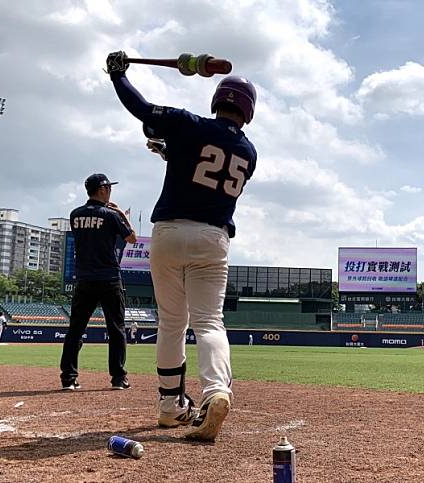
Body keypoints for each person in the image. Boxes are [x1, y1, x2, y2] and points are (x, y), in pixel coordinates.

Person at [107, 51, 257, 441]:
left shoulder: (189, 124)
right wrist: (169, 153)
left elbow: (141, 108)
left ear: (216, 100)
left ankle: (171, 406)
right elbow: (204, 168)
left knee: (172, 323)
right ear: (248, 112)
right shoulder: (249, 153)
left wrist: (117, 75)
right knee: (209, 322)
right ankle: (216, 392)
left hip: (170, 233)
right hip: (214, 238)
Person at [59, 173, 136, 391]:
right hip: (109, 278)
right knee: (116, 330)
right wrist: (120, 213)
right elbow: (132, 238)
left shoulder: (75, 215)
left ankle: (68, 378)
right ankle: (118, 378)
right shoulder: (111, 215)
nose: (110, 191)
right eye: (109, 188)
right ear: (102, 190)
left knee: (75, 329)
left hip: (84, 279)